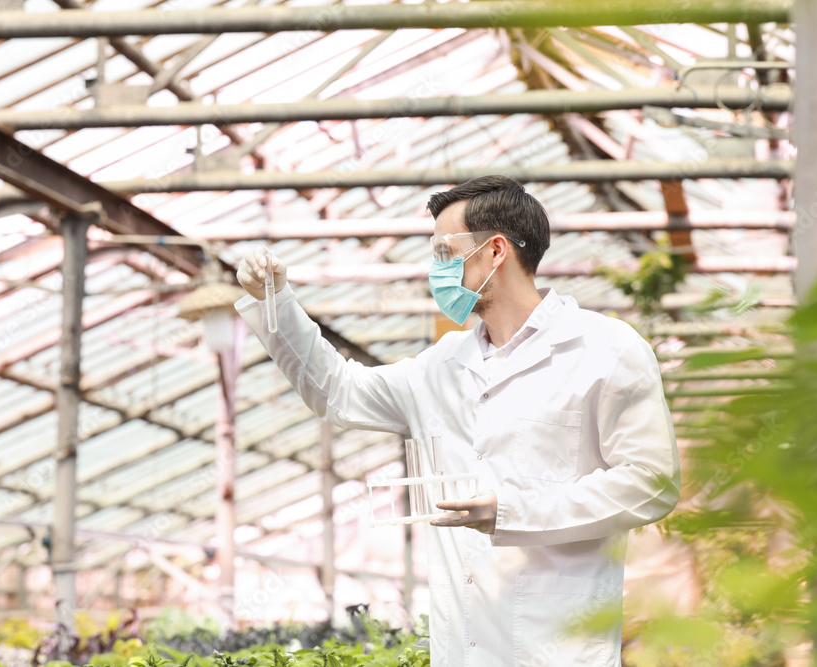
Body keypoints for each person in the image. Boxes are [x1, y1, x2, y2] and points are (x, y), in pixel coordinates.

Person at [235, 175, 681, 666]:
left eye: (446, 251)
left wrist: (508, 510)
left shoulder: (605, 349)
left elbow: (651, 483)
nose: (436, 268)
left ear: (495, 252)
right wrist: (274, 300)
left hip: (559, 649)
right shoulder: (442, 364)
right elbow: (338, 392)